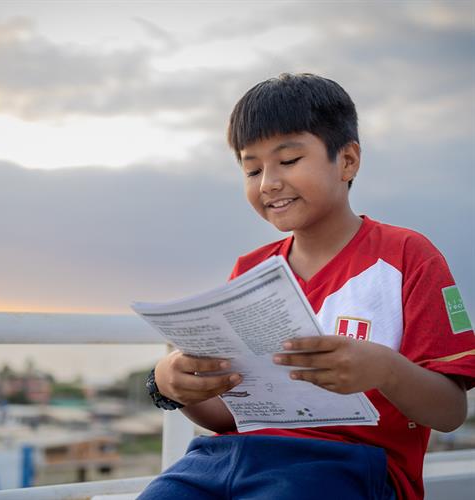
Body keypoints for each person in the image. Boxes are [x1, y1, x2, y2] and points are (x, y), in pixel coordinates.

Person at [139, 73, 474, 500]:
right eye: (252, 169)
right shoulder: (250, 270)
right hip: (224, 460)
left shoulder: (407, 256)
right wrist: (171, 387)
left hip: (346, 468)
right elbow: (229, 416)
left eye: (289, 160)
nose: (268, 183)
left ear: (348, 160)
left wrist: (386, 370)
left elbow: (449, 412)